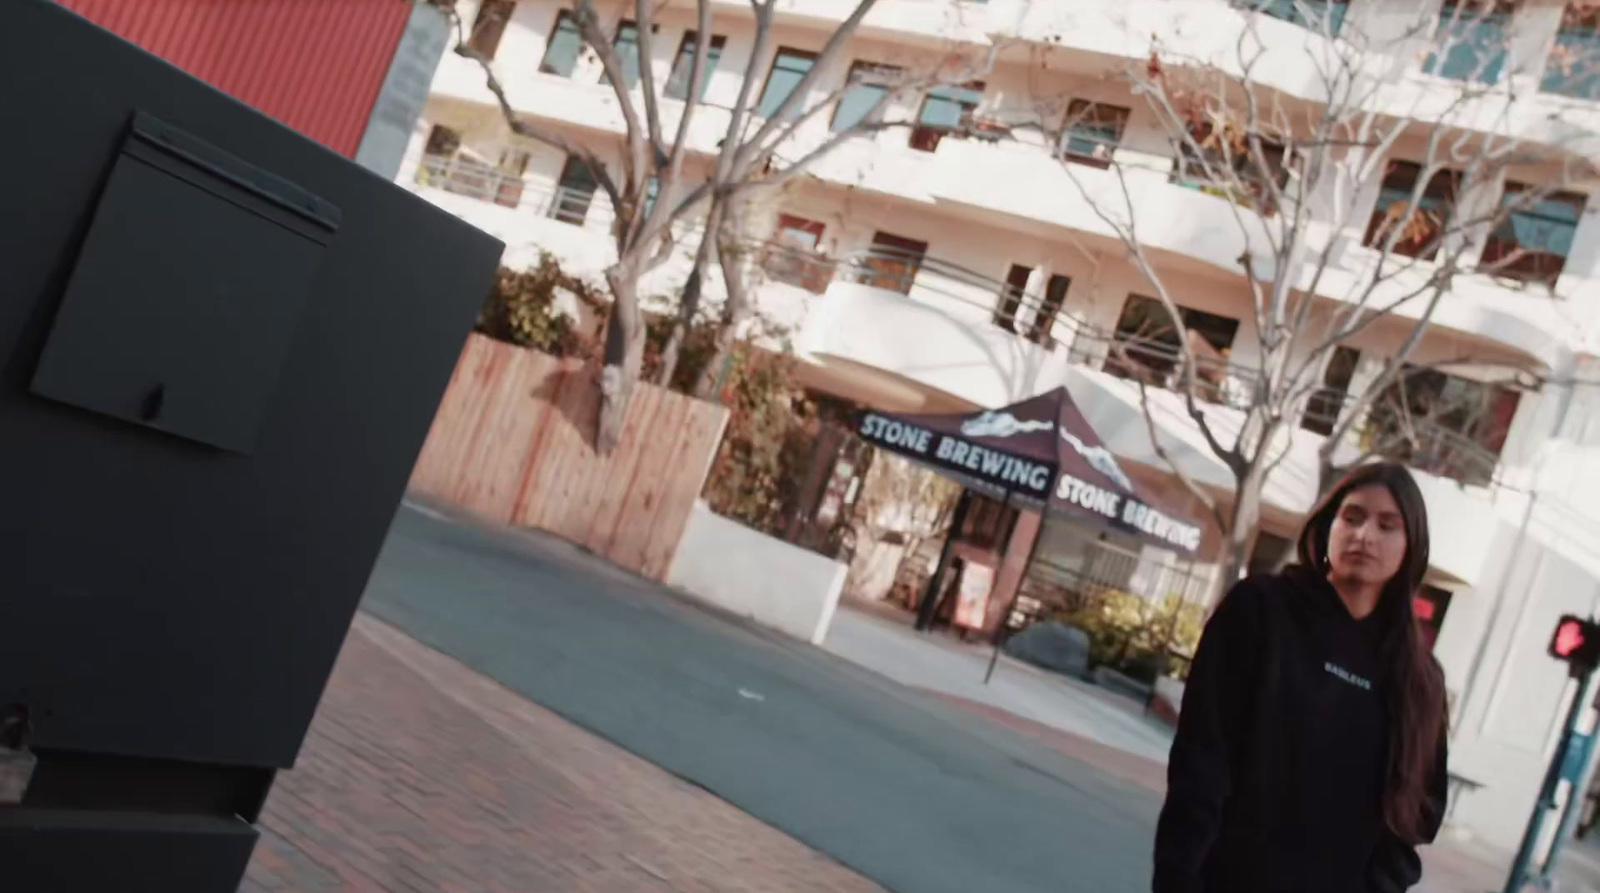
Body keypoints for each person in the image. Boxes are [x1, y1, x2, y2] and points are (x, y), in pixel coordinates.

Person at [1153, 462, 1449, 893]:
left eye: (1388, 526)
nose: (1364, 535)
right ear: (1328, 526)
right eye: (1352, 517)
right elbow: (1201, 762)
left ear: (1411, 546)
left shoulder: (1418, 678)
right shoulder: (1261, 611)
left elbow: (1416, 816)